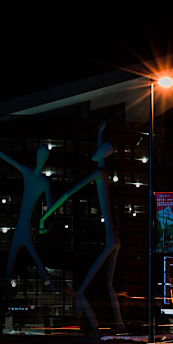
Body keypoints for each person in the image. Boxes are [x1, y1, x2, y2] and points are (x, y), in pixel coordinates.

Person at [42, 121, 122, 332]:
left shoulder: (99, 174)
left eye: (101, 151)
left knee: (82, 290)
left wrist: (47, 215)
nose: (97, 154)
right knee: (108, 285)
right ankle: (120, 327)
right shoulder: (102, 169)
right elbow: (97, 157)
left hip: (110, 241)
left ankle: (96, 330)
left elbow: (70, 193)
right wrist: (98, 133)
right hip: (114, 239)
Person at [0, 114, 56, 287]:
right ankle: (49, 283)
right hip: (21, 228)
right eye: (39, 155)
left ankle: (50, 284)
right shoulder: (30, 175)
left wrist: (47, 224)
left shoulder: (42, 181)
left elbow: (51, 208)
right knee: (22, 260)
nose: (41, 159)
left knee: (28, 259)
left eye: (44, 156)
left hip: (24, 228)